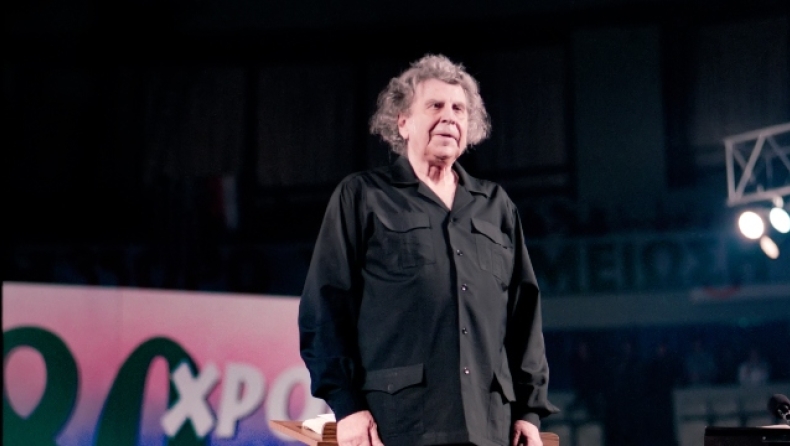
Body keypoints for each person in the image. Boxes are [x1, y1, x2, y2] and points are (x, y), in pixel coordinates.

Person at [298, 54, 558, 446]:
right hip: (397, 425)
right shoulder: (362, 196)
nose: (449, 117)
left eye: (459, 109)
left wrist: (528, 411)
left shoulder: (496, 205)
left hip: (491, 426)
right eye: (435, 106)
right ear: (402, 122)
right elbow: (325, 306)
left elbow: (524, 316)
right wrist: (347, 405)